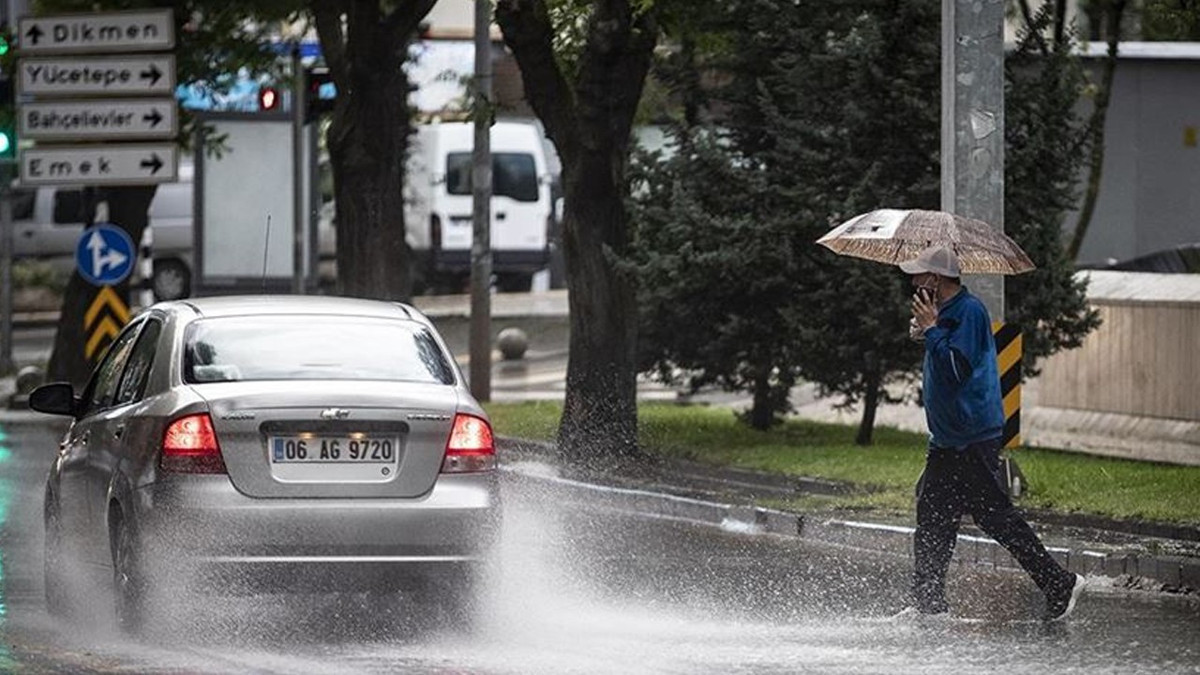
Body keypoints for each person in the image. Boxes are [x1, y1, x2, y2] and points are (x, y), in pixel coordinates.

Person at [899, 245, 1085, 621]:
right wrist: (924, 331)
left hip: (971, 436)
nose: (914, 282)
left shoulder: (968, 312)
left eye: (919, 275)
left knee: (995, 517)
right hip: (948, 438)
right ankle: (928, 603)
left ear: (935, 279)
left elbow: (955, 369)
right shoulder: (945, 312)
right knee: (933, 517)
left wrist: (933, 331)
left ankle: (1059, 583)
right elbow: (941, 354)